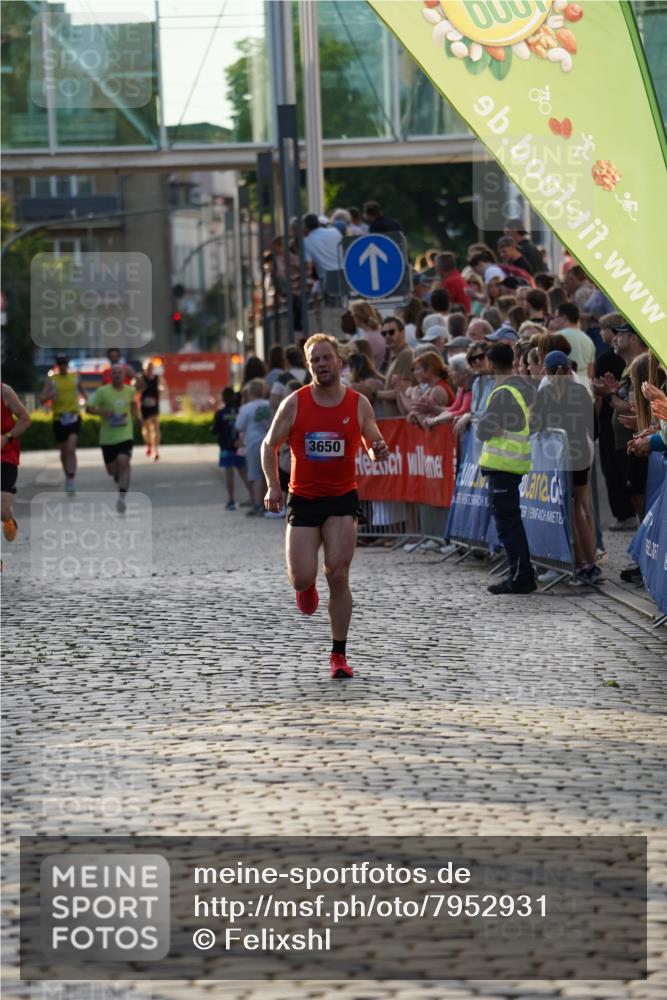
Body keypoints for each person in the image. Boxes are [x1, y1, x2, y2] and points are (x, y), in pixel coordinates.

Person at [261, 333, 390, 679]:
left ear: (339, 361)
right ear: (308, 366)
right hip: (303, 498)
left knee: (338, 573)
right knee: (302, 577)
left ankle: (339, 654)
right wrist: (273, 485)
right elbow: (269, 445)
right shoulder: (295, 403)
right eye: (314, 359)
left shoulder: (358, 403)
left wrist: (377, 448)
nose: (321, 364)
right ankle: (306, 586)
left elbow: (372, 438)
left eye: (326, 357)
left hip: (341, 498)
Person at [531, 351, 598, 584]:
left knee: (566, 512)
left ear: (547, 372)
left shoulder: (545, 393)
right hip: (580, 456)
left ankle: (578, 565)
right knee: (577, 510)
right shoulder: (581, 391)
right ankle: (590, 564)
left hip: (557, 460)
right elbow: (594, 428)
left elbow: (534, 425)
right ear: (570, 369)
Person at [477, 343, 536, 594]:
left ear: (491, 364)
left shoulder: (502, 392)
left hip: (503, 465)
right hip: (514, 464)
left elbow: (483, 430)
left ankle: (520, 576)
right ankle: (522, 573)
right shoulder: (523, 386)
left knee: (508, 525)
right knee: (512, 523)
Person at [86, 364, 138, 513]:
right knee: (111, 470)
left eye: (120, 373)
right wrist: (102, 412)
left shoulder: (130, 391)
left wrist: (137, 417)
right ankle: (117, 474)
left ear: (124, 376)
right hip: (107, 437)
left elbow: (133, 405)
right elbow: (88, 408)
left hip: (125, 434)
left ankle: (121, 498)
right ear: (110, 376)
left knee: (124, 461)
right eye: (114, 373)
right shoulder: (102, 392)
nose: (117, 375)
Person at [39, 354, 87, 493]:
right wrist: (50, 396)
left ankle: (71, 478)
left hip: (74, 417)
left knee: (71, 449)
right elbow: (42, 398)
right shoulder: (52, 379)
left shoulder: (75, 376)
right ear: (57, 365)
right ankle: (67, 474)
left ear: (67, 364)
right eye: (60, 364)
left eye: (64, 363)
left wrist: (89, 404)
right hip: (58, 419)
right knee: (63, 452)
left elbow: (84, 393)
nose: (62, 366)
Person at [235, 379, 273, 516]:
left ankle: (258, 505)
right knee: (269, 474)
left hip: (253, 443)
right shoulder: (270, 405)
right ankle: (271, 505)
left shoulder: (246, 408)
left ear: (249, 393)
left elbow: (239, 426)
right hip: (270, 442)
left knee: (255, 474)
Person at [212, 387, 252, 511]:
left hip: (225, 447)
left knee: (229, 474)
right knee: (243, 472)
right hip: (239, 446)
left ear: (223, 398)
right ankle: (254, 497)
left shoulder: (220, 413)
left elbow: (215, 430)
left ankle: (231, 500)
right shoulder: (240, 411)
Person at [1, 383, 31, 545]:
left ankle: (8, 518)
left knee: (2, 510)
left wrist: (7, 437)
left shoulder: (5, 392)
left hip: (6, 456)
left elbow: (26, 419)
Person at [549, 302, 595, 393]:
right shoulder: (588, 340)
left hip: (563, 388)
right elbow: (590, 372)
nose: (554, 320)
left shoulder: (555, 337)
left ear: (564, 318)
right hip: (585, 386)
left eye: (556, 316)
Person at [375, 317, 414, 418]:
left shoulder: (406, 355)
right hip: (394, 421)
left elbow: (404, 392)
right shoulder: (395, 356)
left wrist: (374, 394)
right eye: (384, 333)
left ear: (402, 333)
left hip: (402, 421)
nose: (387, 336)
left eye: (391, 332)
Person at [303, 213, 342, 285]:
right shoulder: (335, 231)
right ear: (318, 223)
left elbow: (309, 266)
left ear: (305, 227)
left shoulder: (306, 241)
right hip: (344, 275)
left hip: (326, 279)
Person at [136, 360, 161, 461]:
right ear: (144, 369)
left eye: (151, 368)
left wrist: (161, 389)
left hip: (154, 406)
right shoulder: (140, 378)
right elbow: (134, 388)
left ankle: (156, 450)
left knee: (155, 427)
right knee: (146, 429)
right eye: (147, 368)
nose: (149, 370)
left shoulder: (157, 378)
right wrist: (139, 388)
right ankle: (149, 444)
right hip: (144, 406)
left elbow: (163, 386)